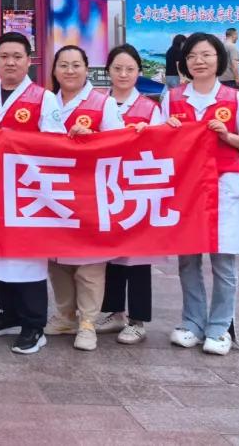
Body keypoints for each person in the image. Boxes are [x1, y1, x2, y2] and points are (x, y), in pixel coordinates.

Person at [163, 32, 239, 355]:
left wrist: (227, 136)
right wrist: (169, 132)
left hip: (223, 186)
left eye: (206, 55)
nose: (199, 61)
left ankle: (220, 327)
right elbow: (158, 140)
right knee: (188, 260)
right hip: (186, 188)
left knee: (223, 261)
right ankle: (192, 323)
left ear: (219, 59)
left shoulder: (233, 99)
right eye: (192, 56)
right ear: (184, 63)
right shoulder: (173, 98)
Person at [0, 32, 66, 355]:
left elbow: (56, 142)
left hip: (28, 191)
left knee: (27, 257)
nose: (10, 63)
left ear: (29, 61)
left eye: (17, 56)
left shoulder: (43, 98)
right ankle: (9, 313)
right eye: (4, 56)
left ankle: (33, 325)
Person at [45, 45, 124, 352]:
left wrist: (93, 139)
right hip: (54, 191)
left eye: (76, 65)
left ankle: (88, 322)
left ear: (86, 69)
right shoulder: (47, 101)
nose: (69, 71)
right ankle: (66, 316)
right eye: (63, 65)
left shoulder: (103, 103)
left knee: (90, 262)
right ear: (54, 70)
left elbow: (120, 144)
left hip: (90, 191)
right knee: (57, 259)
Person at [96, 43, 165, 345]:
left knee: (137, 257)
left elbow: (162, 147)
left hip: (137, 187)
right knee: (110, 255)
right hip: (106, 187)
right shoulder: (98, 102)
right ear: (108, 71)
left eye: (130, 69)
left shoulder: (150, 108)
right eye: (117, 68)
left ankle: (138, 320)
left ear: (139, 72)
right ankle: (114, 312)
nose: (123, 74)